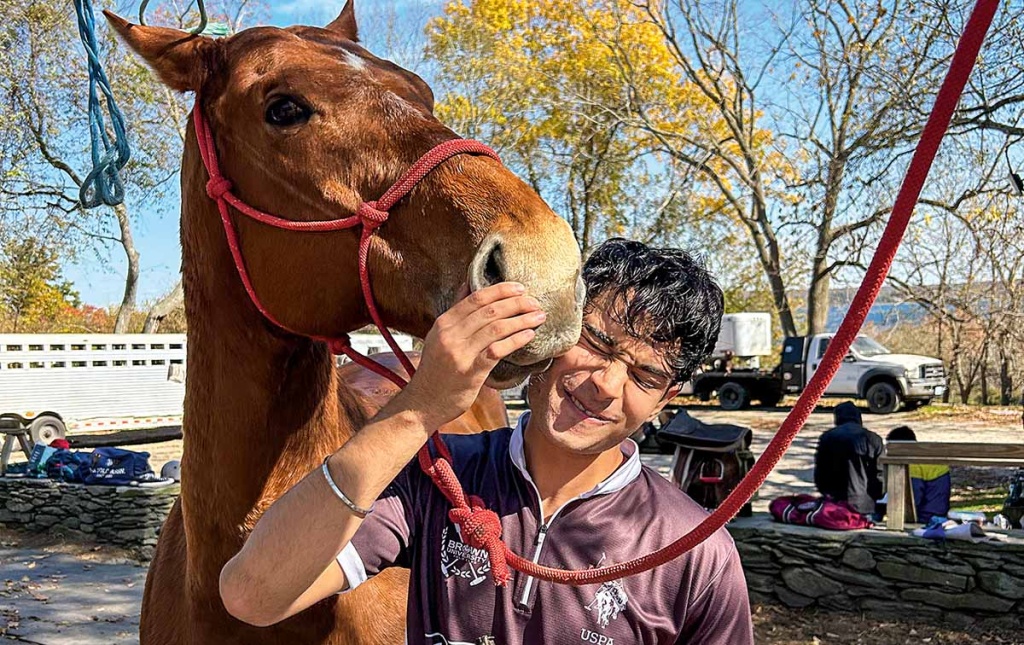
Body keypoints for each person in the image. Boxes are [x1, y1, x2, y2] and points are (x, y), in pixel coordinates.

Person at [219, 238, 753, 644]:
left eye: (645, 376)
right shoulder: (438, 478)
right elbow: (252, 595)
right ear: (554, 330)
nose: (606, 385)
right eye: (596, 343)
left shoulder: (696, 549)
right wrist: (418, 408)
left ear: (664, 399)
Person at [813, 402, 884, 515]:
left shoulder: (827, 437)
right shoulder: (873, 438)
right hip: (864, 504)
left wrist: (827, 494)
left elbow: (820, 473)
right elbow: (880, 474)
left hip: (834, 503)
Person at [884, 426, 950, 523]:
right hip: (939, 511)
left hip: (924, 517)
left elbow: (913, 498)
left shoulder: (913, 465)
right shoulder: (931, 459)